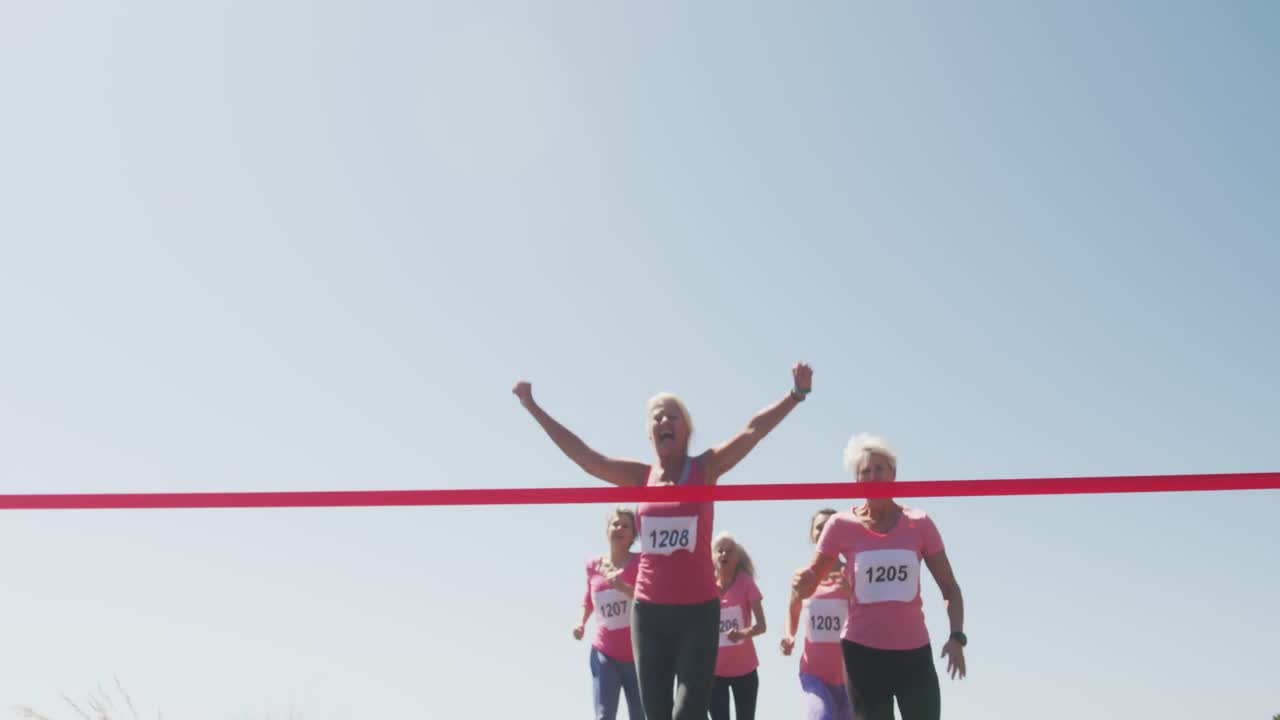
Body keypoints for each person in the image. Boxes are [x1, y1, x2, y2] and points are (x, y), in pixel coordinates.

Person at [513, 362, 812, 720]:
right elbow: (587, 459)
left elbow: (752, 432)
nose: (663, 422)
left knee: (687, 711)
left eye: (672, 417)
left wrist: (795, 395)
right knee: (656, 714)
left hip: (698, 613)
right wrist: (533, 408)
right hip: (650, 613)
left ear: (687, 430)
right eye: (656, 418)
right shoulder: (641, 478)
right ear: (650, 433)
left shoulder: (705, 468)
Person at [792, 434, 966, 720]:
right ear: (858, 481)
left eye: (879, 469)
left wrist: (956, 636)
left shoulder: (920, 524)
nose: (873, 476)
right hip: (863, 654)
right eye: (865, 472)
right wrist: (802, 583)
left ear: (894, 474)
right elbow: (811, 579)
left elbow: (950, 588)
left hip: (913, 653)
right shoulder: (840, 525)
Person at [781, 508, 854, 720]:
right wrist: (789, 637)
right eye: (818, 528)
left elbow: (871, 617)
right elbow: (793, 609)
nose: (823, 531)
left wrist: (853, 593)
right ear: (812, 535)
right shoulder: (804, 577)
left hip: (851, 677)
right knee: (820, 716)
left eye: (829, 526)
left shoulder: (852, 572)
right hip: (814, 674)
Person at [575, 507, 645, 720]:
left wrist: (623, 587)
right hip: (604, 652)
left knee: (640, 716)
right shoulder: (593, 565)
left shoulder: (641, 562)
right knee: (604, 715)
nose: (619, 528)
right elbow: (588, 599)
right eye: (615, 524)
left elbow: (649, 601)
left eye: (626, 526)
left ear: (633, 535)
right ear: (607, 531)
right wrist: (581, 623)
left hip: (637, 655)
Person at [710, 531, 765, 720]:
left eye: (729, 551)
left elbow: (762, 625)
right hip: (714, 672)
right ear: (714, 556)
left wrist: (741, 633)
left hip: (745, 670)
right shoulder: (706, 585)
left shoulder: (745, 582)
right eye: (720, 551)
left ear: (736, 558)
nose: (724, 554)